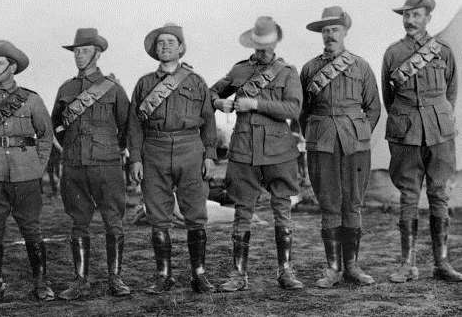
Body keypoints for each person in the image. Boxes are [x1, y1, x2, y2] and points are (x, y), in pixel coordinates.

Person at [211, 16, 304, 291]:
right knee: (242, 209)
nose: (263, 50)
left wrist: (256, 103)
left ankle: (285, 271)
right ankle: (238, 275)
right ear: (252, 43)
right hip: (244, 148)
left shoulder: (287, 72)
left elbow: (293, 109)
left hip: (278, 149)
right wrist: (219, 102)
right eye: (258, 45)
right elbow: (209, 93)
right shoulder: (239, 71)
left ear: (275, 42)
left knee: (282, 208)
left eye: (267, 44)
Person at [127, 23, 217, 294]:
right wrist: (135, 159)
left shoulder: (195, 81)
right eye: (160, 43)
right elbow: (134, 125)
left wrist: (210, 155)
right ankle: (163, 275)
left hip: (190, 148)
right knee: (157, 216)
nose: (164, 46)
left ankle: (199, 275)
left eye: (170, 42)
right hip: (153, 149)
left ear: (181, 48)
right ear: (155, 50)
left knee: (196, 215)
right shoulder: (144, 84)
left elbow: (209, 122)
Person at [0, 40, 54, 305]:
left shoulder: (31, 99)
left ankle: (41, 283)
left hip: (25, 173)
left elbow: (45, 135)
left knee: (32, 228)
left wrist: (37, 166)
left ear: (12, 67)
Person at [382, 0, 462, 282]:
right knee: (408, 196)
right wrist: (409, 119)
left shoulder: (443, 51)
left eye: (416, 14)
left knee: (440, 194)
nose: (410, 20)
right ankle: (407, 264)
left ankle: (442, 263)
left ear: (428, 17)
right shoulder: (393, 53)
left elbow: (450, 92)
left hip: (440, 133)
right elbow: (388, 98)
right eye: (406, 14)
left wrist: (437, 116)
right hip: (407, 134)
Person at [301, 6, 381, 288]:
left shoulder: (361, 66)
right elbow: (303, 112)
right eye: (325, 30)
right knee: (329, 203)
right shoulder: (310, 68)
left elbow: (373, 107)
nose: (329, 35)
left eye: (334, 29)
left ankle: (352, 267)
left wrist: (358, 133)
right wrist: (316, 136)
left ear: (345, 31)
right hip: (322, 143)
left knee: (353, 203)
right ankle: (333, 269)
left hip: (355, 143)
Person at [52, 28, 131, 299]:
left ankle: (116, 279)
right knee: (78, 222)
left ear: (97, 53)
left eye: (84, 50)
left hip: (106, 165)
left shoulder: (114, 89)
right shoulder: (66, 89)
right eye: (76, 51)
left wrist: (109, 150)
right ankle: (80, 281)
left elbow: (127, 127)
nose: (79, 56)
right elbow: (57, 126)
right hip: (74, 165)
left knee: (113, 222)